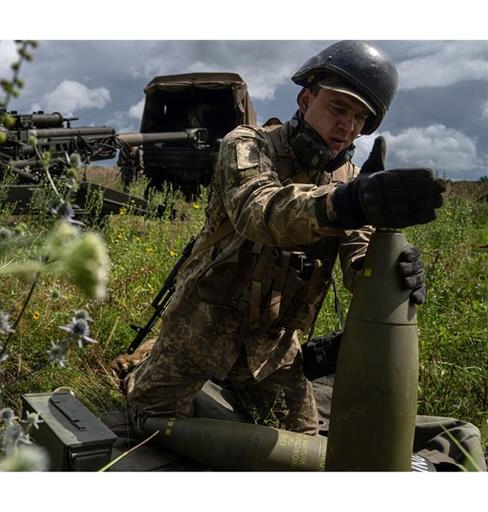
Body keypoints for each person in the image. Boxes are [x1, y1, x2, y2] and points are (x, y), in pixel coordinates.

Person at [115, 41, 448, 438]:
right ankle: (146, 360)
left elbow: (359, 264)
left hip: (271, 348)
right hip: (200, 326)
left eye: (361, 117)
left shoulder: (351, 183)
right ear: (306, 101)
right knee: (148, 424)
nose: (348, 126)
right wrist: (346, 204)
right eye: (338, 108)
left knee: (304, 447)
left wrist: (394, 271)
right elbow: (258, 210)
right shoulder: (249, 144)